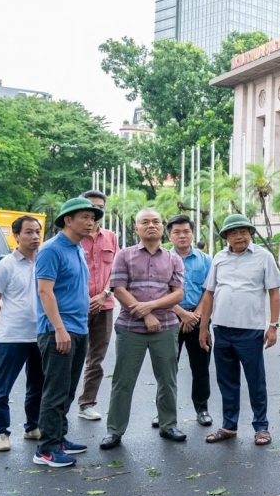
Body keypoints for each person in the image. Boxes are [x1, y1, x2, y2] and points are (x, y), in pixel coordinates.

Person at [99, 209, 187, 450]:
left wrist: (152, 306)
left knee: (167, 380)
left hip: (166, 328)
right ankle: (114, 430)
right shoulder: (124, 256)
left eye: (156, 222)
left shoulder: (173, 259)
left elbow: (178, 293)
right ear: (136, 229)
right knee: (123, 381)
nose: (151, 225)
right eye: (145, 222)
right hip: (130, 329)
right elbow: (118, 288)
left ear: (162, 228)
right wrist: (147, 314)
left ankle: (168, 425)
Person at [198, 214, 280, 446]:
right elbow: (209, 293)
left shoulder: (264, 257)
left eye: (243, 231)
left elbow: (274, 292)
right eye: (233, 232)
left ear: (250, 233)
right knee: (226, 381)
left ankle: (261, 427)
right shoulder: (219, 258)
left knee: (256, 381)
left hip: (250, 330)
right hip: (221, 329)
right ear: (226, 237)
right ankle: (229, 426)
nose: (239, 236)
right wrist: (203, 328)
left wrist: (273, 326)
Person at [34, 197, 100, 468]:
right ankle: (46, 449)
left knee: (68, 390)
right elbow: (44, 291)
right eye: (84, 216)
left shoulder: (78, 249)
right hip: (58, 331)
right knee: (55, 390)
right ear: (67, 220)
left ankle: (59, 438)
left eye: (93, 217)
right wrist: (59, 329)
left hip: (78, 328)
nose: (90, 222)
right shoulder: (51, 249)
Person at [0, 215, 44, 452]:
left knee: (37, 385)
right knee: (3, 388)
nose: (35, 237)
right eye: (28, 232)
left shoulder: (44, 262)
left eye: (38, 232)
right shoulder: (5, 265)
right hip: (12, 338)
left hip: (40, 335)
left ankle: (32, 427)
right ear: (16, 235)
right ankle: (0, 433)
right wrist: (7, 323)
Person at [76, 189, 119, 422]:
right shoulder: (71, 237)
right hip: (75, 308)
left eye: (100, 207)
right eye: (91, 206)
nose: (96, 211)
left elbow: (117, 269)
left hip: (105, 305)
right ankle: (58, 405)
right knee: (69, 356)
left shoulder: (111, 237)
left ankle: (86, 403)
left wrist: (104, 294)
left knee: (96, 358)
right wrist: (83, 300)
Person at [166, 215, 213, 428]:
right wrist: (181, 313)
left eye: (186, 231)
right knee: (166, 368)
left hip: (199, 318)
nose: (182, 235)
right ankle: (164, 411)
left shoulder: (206, 260)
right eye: (177, 232)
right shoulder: (163, 259)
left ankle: (202, 408)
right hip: (169, 317)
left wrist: (195, 315)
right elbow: (159, 290)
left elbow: (209, 290)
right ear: (169, 235)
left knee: (201, 366)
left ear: (192, 234)